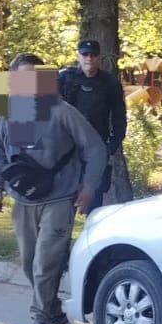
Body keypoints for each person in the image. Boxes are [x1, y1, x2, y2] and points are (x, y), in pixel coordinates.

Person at [0, 53, 107, 324]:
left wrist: (88, 187)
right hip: (24, 200)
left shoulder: (61, 111)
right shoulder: (11, 113)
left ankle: (40, 321)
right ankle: (53, 313)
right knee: (29, 263)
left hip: (59, 198)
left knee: (46, 263)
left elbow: (95, 149)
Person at [58, 39, 126, 211]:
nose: (89, 58)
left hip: (96, 150)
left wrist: (109, 148)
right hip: (67, 152)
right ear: (78, 56)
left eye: (94, 55)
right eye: (85, 54)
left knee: (94, 206)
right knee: (64, 206)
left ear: (99, 57)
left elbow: (119, 120)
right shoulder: (63, 78)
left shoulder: (110, 83)